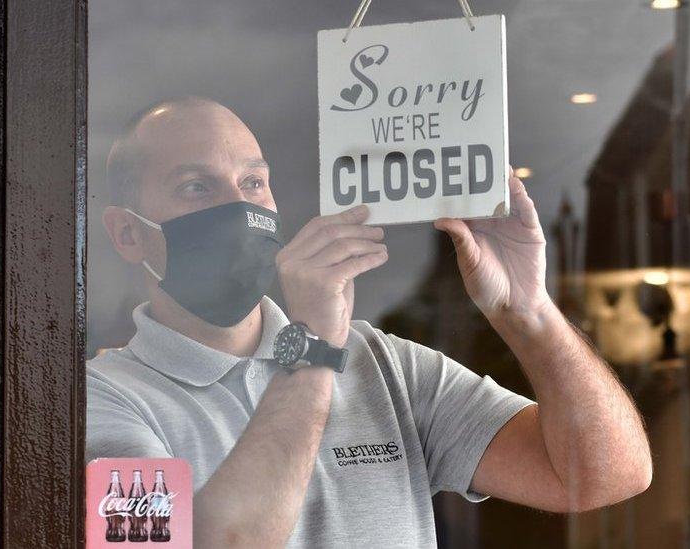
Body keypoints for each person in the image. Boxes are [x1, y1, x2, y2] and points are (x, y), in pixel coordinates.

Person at [87, 95, 652, 548]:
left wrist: (528, 313)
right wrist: (311, 349)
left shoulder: (386, 366)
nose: (239, 207)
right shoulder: (100, 406)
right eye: (195, 187)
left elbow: (606, 475)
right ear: (127, 233)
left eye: (253, 182)